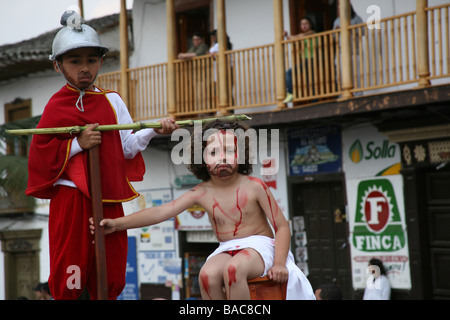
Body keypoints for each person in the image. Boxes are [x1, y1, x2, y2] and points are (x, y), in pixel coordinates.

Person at [25, 10, 178, 300]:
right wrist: (79, 143)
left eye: (91, 60)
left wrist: (153, 130)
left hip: (108, 197)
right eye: (75, 61)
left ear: (101, 62)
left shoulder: (113, 100)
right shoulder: (55, 106)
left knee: (111, 268)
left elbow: (126, 147)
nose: (84, 68)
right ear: (58, 66)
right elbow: (41, 156)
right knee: (70, 267)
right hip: (71, 200)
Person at [90, 119, 315, 300]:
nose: (222, 158)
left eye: (229, 150)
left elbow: (282, 226)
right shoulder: (201, 192)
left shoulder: (255, 186)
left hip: (260, 246)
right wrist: (117, 224)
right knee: (206, 275)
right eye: (214, 152)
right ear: (202, 158)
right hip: (226, 247)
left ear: (242, 153)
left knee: (234, 270)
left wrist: (278, 263)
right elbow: (162, 212)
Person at [282, 17, 316, 104]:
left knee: (291, 73)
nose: (303, 26)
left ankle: (291, 93)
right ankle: (292, 93)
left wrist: (288, 36)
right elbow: (295, 39)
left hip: (312, 59)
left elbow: (298, 37)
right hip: (307, 60)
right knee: (309, 80)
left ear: (310, 25)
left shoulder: (311, 32)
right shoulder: (302, 36)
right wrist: (286, 36)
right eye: (302, 24)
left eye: (306, 24)